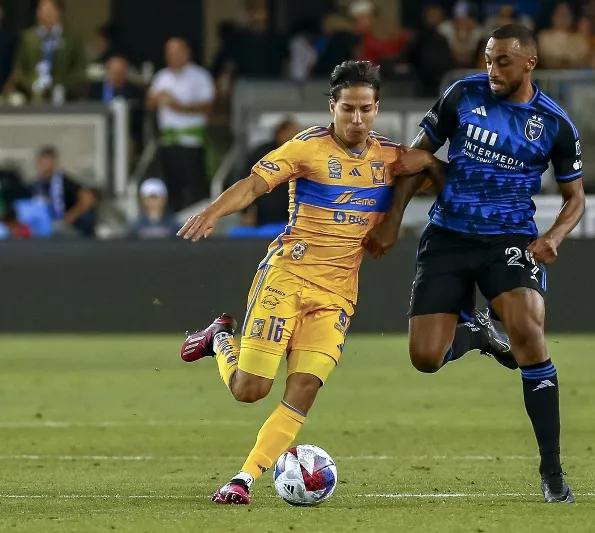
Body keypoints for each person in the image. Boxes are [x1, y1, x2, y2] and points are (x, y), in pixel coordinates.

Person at [362, 24, 586, 503]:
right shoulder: (462, 95)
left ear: (530, 62)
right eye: (488, 59)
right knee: (425, 358)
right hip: (447, 236)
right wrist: (390, 219)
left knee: (527, 328)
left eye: (502, 61)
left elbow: (576, 198)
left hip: (508, 239)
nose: (492, 70)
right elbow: (416, 159)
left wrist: (554, 236)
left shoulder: (554, 124)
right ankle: (477, 333)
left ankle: (552, 473)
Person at [176, 61, 408, 505]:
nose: (356, 120)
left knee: (303, 389)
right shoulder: (306, 148)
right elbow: (253, 185)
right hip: (288, 277)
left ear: (377, 109)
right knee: (251, 390)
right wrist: (212, 212)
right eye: (347, 109)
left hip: (337, 293)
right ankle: (219, 338)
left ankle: (242, 480)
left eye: (365, 110)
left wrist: (394, 219)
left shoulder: (392, 156)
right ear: (332, 107)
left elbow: (431, 169)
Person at [147, 38, 215, 212]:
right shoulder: (161, 76)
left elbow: (207, 107)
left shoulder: (200, 75)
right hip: (168, 142)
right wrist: (155, 99)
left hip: (191, 141)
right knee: (171, 188)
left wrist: (178, 106)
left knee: (195, 189)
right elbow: (149, 104)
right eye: (169, 54)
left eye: (177, 53)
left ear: (186, 53)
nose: (173, 57)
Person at [29, 145, 98, 237]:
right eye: (43, 163)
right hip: (41, 226)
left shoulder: (64, 182)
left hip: (64, 223)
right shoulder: (34, 185)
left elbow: (88, 198)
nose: (45, 166)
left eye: (48, 162)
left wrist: (72, 215)